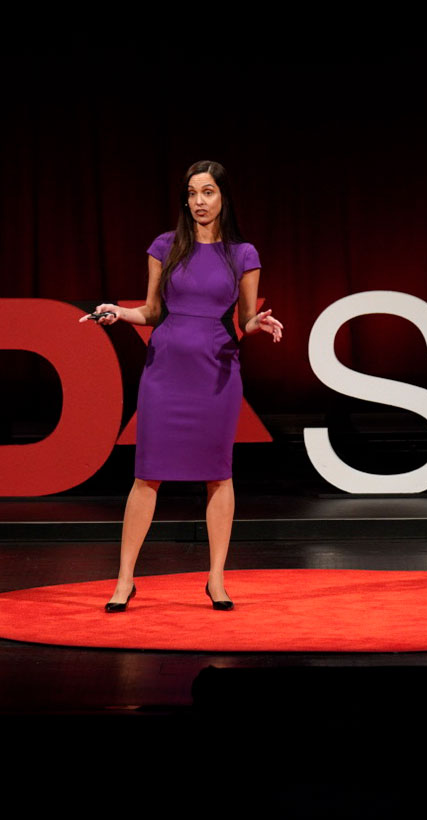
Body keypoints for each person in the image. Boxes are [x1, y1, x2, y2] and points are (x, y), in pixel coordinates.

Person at [82, 160, 283, 613]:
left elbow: (245, 317)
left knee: (219, 472)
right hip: (166, 369)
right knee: (146, 472)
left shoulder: (243, 254)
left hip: (216, 372)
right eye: (192, 193)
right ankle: (125, 580)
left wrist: (258, 323)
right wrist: (119, 312)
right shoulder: (165, 246)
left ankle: (215, 579)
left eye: (208, 192)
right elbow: (152, 311)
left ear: (223, 198)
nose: (199, 201)